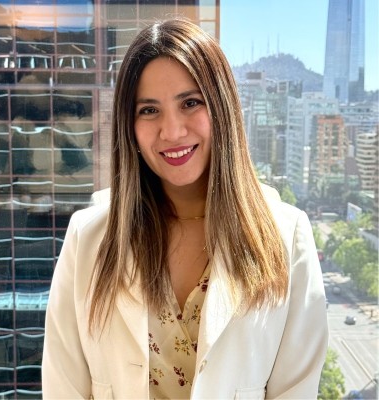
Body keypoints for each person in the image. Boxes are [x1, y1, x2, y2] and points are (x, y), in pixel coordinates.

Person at [42, 18, 328, 399]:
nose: (172, 131)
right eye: (149, 110)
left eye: (190, 103)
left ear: (221, 108)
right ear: (129, 125)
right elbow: (62, 388)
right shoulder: (88, 239)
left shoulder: (287, 237)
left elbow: (296, 390)